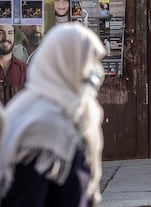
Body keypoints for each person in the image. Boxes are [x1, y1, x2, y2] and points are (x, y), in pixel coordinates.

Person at [0, 22, 106, 206]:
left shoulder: (76, 111)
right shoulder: (43, 124)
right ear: (65, 64)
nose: (95, 70)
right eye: (88, 62)